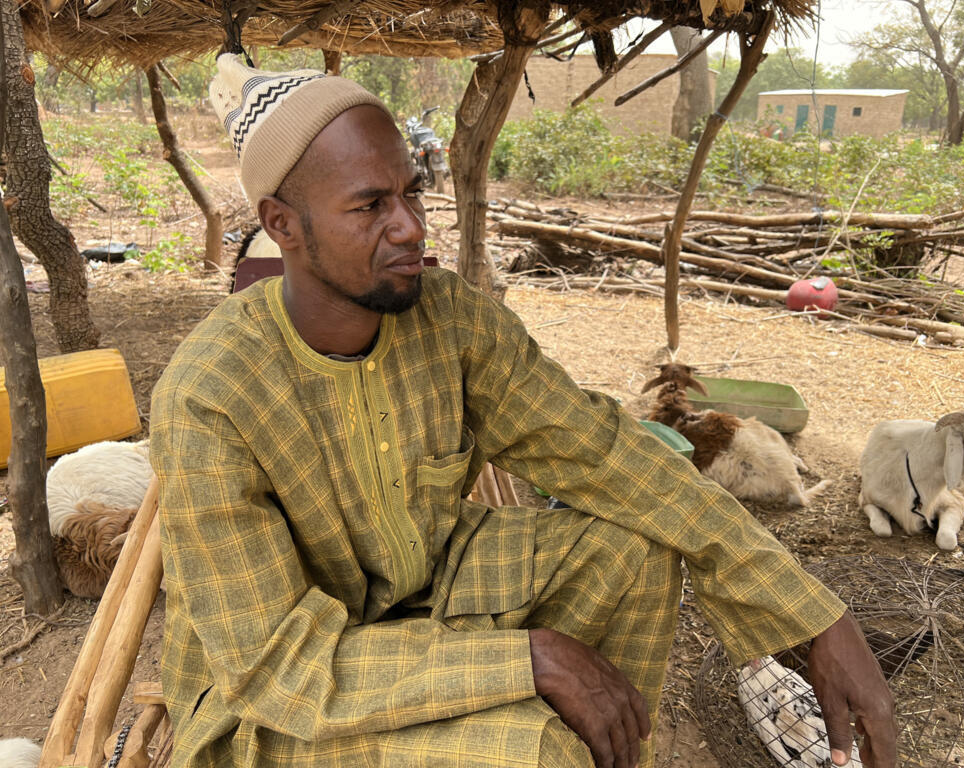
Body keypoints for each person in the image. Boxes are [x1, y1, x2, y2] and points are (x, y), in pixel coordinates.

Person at [149, 54, 897, 768]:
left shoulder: (448, 319)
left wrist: (806, 610)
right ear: (282, 225)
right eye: (371, 206)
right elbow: (276, 664)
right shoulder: (213, 394)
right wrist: (528, 660)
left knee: (637, 544)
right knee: (536, 748)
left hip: (431, 592)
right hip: (272, 706)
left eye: (410, 193)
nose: (411, 226)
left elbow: (603, 453)